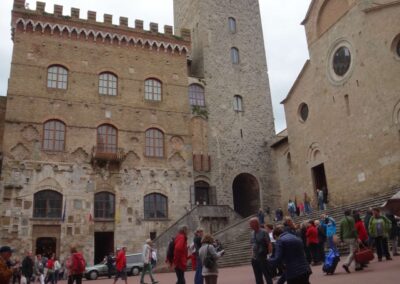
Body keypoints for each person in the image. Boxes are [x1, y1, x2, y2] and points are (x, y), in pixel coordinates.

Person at [249, 217, 273, 284]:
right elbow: (251, 245)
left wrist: (269, 255)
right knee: (258, 277)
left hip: (263, 257)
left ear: (256, 223)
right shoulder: (252, 233)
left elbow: (269, 243)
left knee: (267, 275)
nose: (249, 225)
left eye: (251, 223)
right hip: (255, 259)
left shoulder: (264, 232)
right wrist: (252, 255)